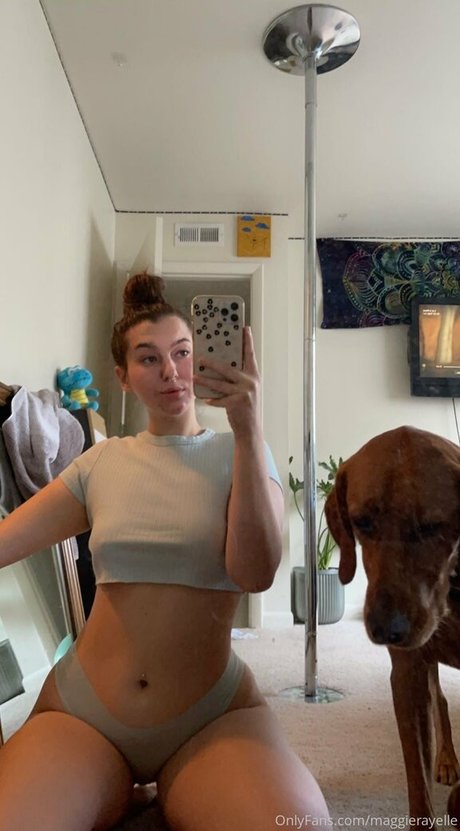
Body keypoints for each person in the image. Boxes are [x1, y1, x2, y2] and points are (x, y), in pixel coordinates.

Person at [0, 273, 329, 831]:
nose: (171, 371)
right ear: (123, 377)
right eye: (148, 359)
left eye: (182, 353)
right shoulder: (100, 463)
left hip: (210, 720)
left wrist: (248, 427)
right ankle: (108, 789)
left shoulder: (242, 453)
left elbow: (254, 574)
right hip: (85, 715)